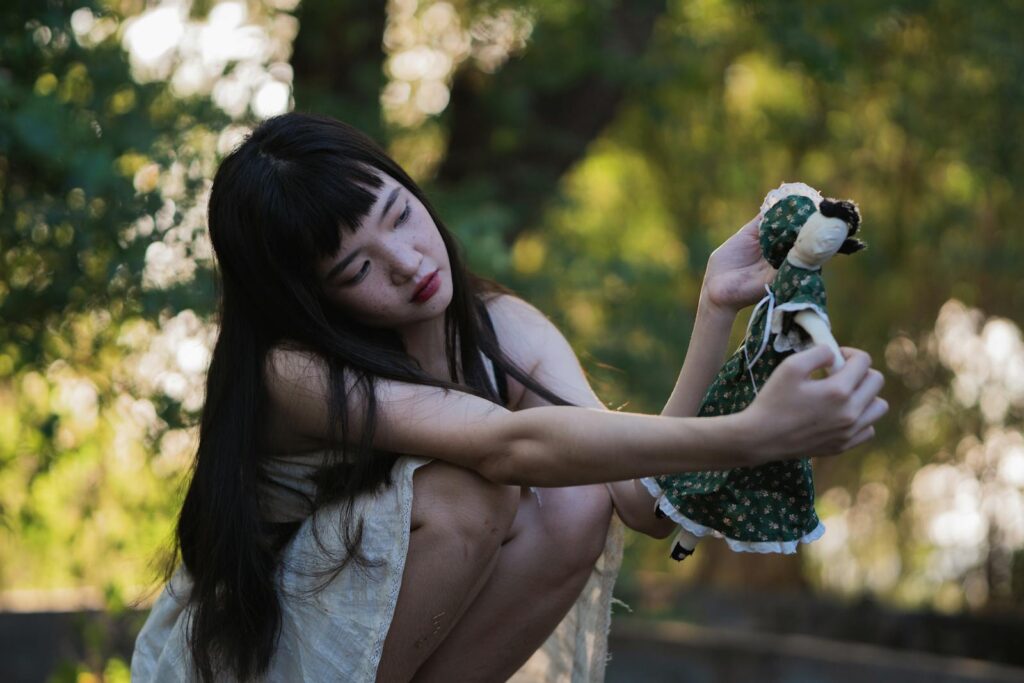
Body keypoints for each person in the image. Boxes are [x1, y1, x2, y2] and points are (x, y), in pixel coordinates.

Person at [130, 111, 887, 683]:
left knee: (576, 500)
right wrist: (756, 434)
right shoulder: (291, 370)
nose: (406, 260)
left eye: (399, 214)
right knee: (469, 489)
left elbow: (642, 503)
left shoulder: (500, 328)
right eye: (357, 267)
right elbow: (506, 445)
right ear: (309, 299)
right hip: (251, 654)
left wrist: (714, 311)